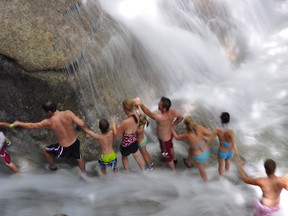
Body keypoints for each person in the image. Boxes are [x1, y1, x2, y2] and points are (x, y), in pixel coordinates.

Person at [13, 101, 86, 172]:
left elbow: (32, 125)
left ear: (49, 112)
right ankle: (84, 175)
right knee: (79, 156)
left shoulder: (49, 121)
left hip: (64, 148)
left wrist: (19, 123)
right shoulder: (68, 113)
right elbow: (81, 124)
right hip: (75, 142)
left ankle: (53, 167)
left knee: (45, 150)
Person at [135, 96, 184, 171]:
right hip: (169, 135)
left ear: (164, 108)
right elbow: (181, 117)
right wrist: (173, 124)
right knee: (170, 147)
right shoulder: (172, 111)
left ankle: (173, 170)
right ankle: (174, 158)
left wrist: (141, 104)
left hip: (164, 141)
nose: (158, 104)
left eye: (159, 104)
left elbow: (149, 113)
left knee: (168, 157)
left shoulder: (161, 117)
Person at [172, 116, 211, 181]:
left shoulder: (187, 135)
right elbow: (210, 133)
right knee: (191, 148)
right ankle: (188, 162)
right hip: (206, 151)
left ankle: (206, 183)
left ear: (186, 126)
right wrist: (202, 136)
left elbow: (176, 137)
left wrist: (171, 129)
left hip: (198, 157)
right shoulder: (199, 127)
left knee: (202, 171)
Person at [111, 99, 145, 172]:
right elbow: (129, 128)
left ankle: (127, 172)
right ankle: (144, 172)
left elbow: (116, 134)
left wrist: (113, 125)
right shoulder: (137, 116)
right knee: (138, 157)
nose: (123, 110)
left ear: (126, 109)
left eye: (123, 108)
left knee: (124, 157)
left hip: (126, 145)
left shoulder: (125, 122)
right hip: (134, 142)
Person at [205, 112, 237, 176]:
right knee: (227, 161)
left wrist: (201, 136)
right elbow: (234, 144)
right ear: (229, 120)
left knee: (221, 165)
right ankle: (227, 174)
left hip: (222, 151)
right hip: (230, 152)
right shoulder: (231, 132)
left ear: (221, 120)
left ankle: (221, 179)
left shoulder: (218, 130)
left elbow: (209, 139)